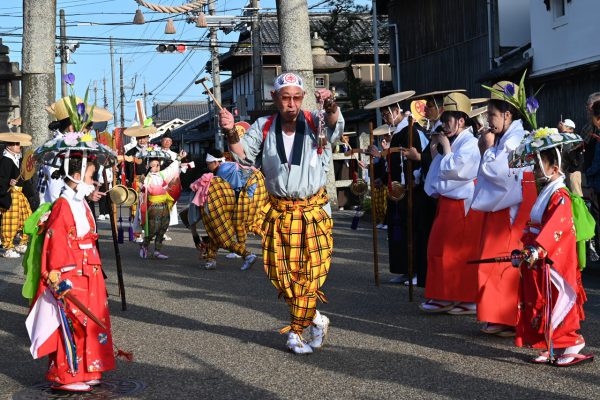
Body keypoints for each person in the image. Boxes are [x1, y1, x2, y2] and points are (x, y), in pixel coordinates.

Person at [219, 72, 343, 354]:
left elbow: (336, 127)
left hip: (313, 211)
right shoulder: (263, 126)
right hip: (280, 212)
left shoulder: (316, 121)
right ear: (275, 98)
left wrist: (332, 105)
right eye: (285, 98)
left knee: (310, 275)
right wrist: (228, 130)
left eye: (297, 98)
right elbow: (243, 155)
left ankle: (295, 332)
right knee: (283, 276)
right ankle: (315, 320)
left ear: (303, 99)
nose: (291, 104)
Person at [25, 129, 117, 392]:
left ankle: (90, 368)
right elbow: (55, 242)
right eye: (90, 176)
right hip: (72, 272)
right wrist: (58, 276)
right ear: (76, 176)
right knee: (74, 320)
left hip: (90, 270)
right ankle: (69, 375)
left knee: (93, 318)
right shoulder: (63, 205)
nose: (93, 181)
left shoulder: (80, 201)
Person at [510, 127, 593, 366]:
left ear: (554, 168)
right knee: (541, 300)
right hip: (540, 258)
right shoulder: (547, 192)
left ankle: (572, 340)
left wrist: (538, 248)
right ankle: (549, 342)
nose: (535, 171)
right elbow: (534, 225)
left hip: (554, 260)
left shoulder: (561, 196)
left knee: (557, 300)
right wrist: (523, 249)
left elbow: (557, 227)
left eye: (538, 165)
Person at [471, 80, 537, 337]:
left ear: (508, 114)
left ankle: (507, 316)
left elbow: (499, 173)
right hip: (502, 205)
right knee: (492, 261)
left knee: (501, 261)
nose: (489, 120)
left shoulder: (515, 139)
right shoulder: (507, 137)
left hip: (511, 209)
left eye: (492, 114)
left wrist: (487, 149)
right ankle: (498, 314)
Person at [421, 93, 483, 314]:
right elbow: (439, 169)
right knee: (440, 249)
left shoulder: (471, 143)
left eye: (449, 120)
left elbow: (458, 170)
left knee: (455, 252)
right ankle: (449, 295)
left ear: (461, 121)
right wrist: (438, 150)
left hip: (462, 203)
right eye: (444, 120)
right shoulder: (457, 141)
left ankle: (457, 297)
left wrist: (445, 149)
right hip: (449, 201)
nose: (445, 125)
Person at [192, 149, 265, 270]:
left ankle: (245, 253)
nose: (207, 166)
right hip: (253, 189)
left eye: (208, 163)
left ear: (215, 162)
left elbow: (229, 191)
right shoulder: (226, 166)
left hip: (251, 192)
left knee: (238, 224)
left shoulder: (222, 171)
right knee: (226, 227)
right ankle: (212, 259)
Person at [137, 145, 185, 259]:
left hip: (164, 205)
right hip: (153, 207)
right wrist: (142, 182)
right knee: (152, 229)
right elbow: (141, 188)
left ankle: (157, 250)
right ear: (147, 166)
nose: (156, 167)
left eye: (158, 165)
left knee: (163, 227)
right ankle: (144, 245)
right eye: (153, 166)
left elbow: (171, 169)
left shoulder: (161, 174)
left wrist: (178, 158)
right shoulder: (146, 178)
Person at [0, 132, 33, 258]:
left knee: (27, 218)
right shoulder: (5, 160)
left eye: (18, 144)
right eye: (16, 144)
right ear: (9, 146)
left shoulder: (18, 159)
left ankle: (22, 242)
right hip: (10, 194)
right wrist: (8, 182)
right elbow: (1, 178)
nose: (19, 146)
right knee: (10, 221)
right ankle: (7, 247)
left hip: (20, 193)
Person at [124, 124, 155, 243]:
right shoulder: (130, 153)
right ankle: (136, 234)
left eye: (144, 137)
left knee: (150, 206)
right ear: (136, 139)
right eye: (139, 138)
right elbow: (126, 170)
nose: (142, 140)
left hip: (151, 181)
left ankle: (149, 231)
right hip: (136, 182)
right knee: (136, 208)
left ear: (148, 138)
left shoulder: (153, 151)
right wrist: (128, 181)